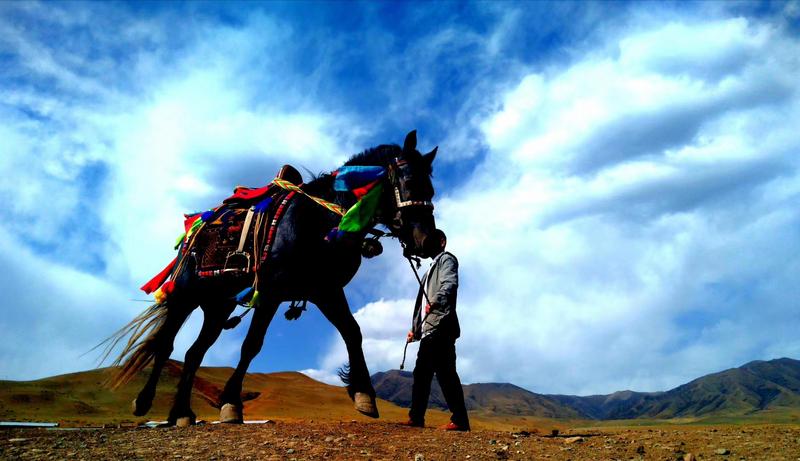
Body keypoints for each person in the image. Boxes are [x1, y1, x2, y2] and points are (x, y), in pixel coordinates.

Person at [401, 229, 470, 431]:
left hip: (442, 324)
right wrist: (416, 330)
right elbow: (422, 305)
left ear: (442, 241)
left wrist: (438, 300)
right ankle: (417, 417)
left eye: (431, 240)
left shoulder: (447, 260)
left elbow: (450, 283)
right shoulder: (428, 271)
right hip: (430, 329)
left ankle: (459, 420)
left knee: (444, 373)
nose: (427, 244)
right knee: (423, 374)